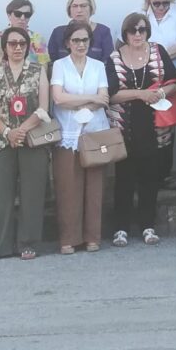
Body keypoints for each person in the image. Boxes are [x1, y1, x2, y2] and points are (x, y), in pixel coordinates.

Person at [107, 13, 176, 247]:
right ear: (125, 33)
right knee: (124, 179)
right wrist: (141, 94)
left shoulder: (158, 52)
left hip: (154, 125)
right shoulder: (115, 57)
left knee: (150, 178)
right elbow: (110, 94)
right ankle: (121, 228)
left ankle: (148, 226)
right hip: (124, 126)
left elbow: (174, 82)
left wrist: (159, 93)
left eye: (142, 29)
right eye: (132, 30)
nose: (137, 34)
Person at [0, 26, 51, 261]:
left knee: (32, 193)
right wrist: (8, 132)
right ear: (4, 47)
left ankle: (28, 243)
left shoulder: (38, 70)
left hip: (32, 138)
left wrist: (21, 130)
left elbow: (44, 107)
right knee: (1, 194)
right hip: (1, 141)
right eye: (12, 44)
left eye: (22, 43)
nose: (18, 48)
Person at [51, 20, 110, 254]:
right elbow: (58, 98)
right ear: (68, 43)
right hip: (68, 132)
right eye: (75, 40)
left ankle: (92, 237)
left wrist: (84, 101)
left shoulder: (97, 66)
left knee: (95, 188)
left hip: (95, 131)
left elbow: (104, 98)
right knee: (68, 188)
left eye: (84, 40)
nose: (80, 44)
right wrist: (91, 99)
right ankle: (69, 239)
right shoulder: (59, 65)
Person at [143, 0, 176, 190]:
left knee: (167, 126)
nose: (161, 7)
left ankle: (164, 174)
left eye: (166, 3)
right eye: (157, 3)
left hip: (172, 77)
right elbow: (125, 42)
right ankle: (146, 174)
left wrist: (156, 57)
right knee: (146, 127)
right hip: (144, 78)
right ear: (149, 1)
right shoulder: (140, 15)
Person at [49, 0, 115, 65]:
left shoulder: (103, 31)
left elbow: (108, 60)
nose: (79, 10)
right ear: (69, 10)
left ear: (91, 8)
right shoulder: (58, 32)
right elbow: (53, 59)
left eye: (83, 6)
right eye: (74, 6)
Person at [0, 0, 50, 71]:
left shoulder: (39, 39)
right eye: (18, 14)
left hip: (31, 79)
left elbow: (43, 66)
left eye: (27, 15)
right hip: (1, 79)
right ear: (9, 15)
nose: (22, 18)